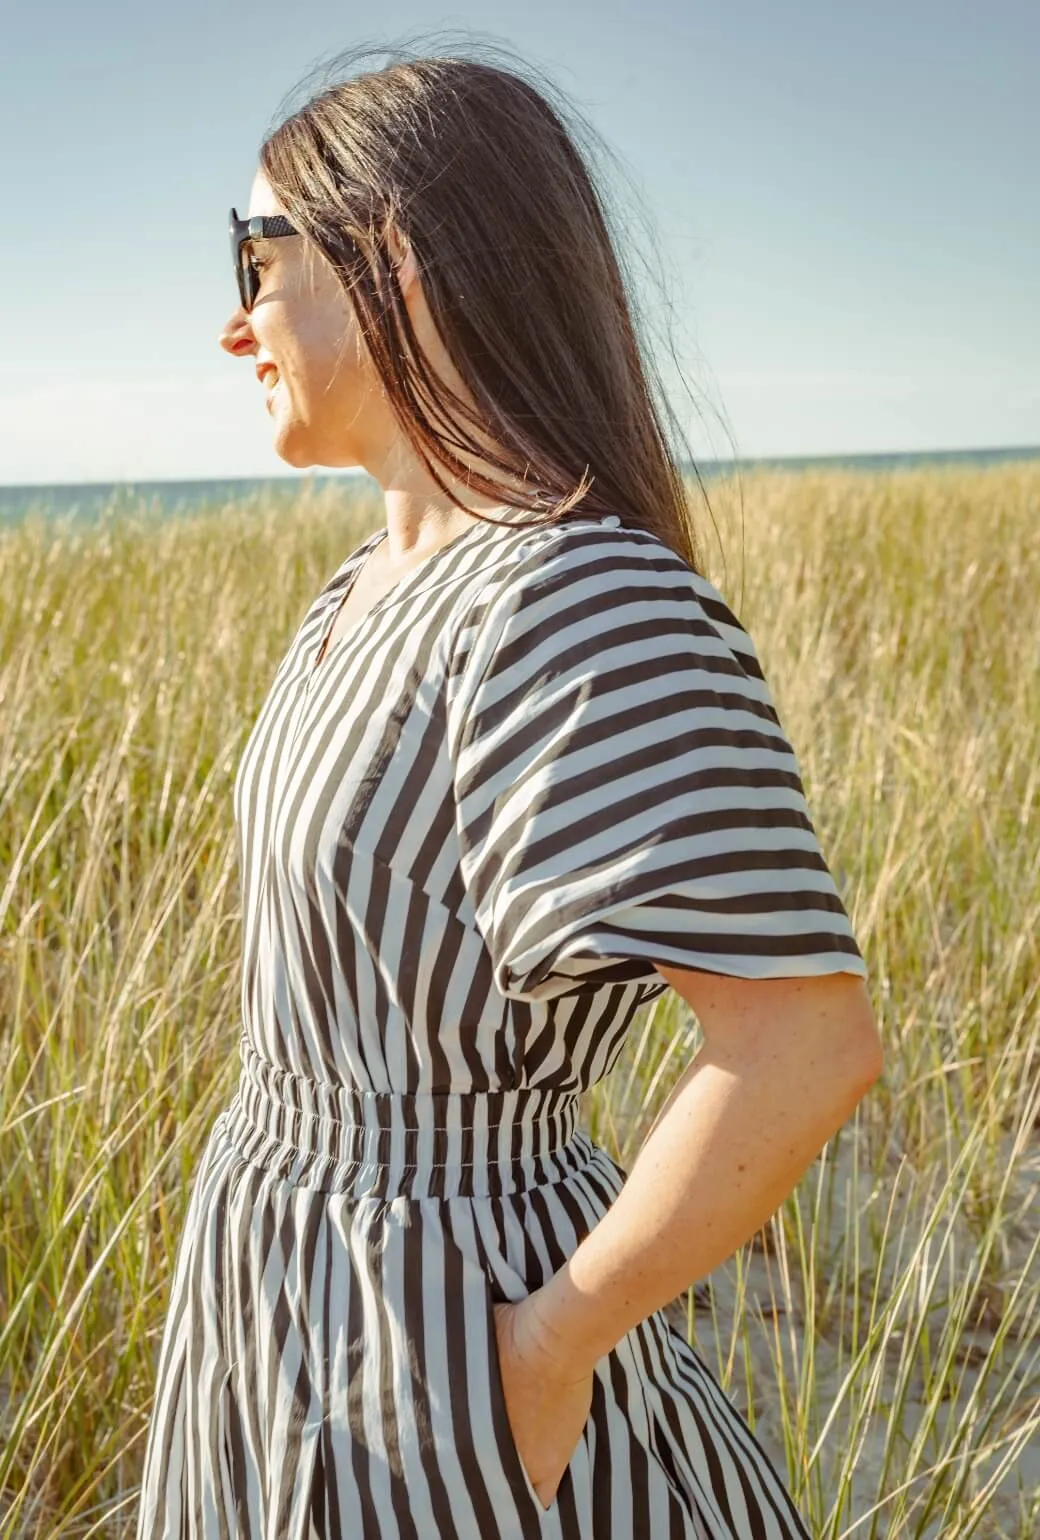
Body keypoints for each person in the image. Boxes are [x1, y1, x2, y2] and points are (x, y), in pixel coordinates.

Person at [136, 43, 882, 1540]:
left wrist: (547, 1350)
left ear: (397, 258)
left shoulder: (574, 595)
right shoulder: (368, 580)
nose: (234, 324)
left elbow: (805, 1041)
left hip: (444, 1336)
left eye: (256, 254)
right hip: (288, 1286)